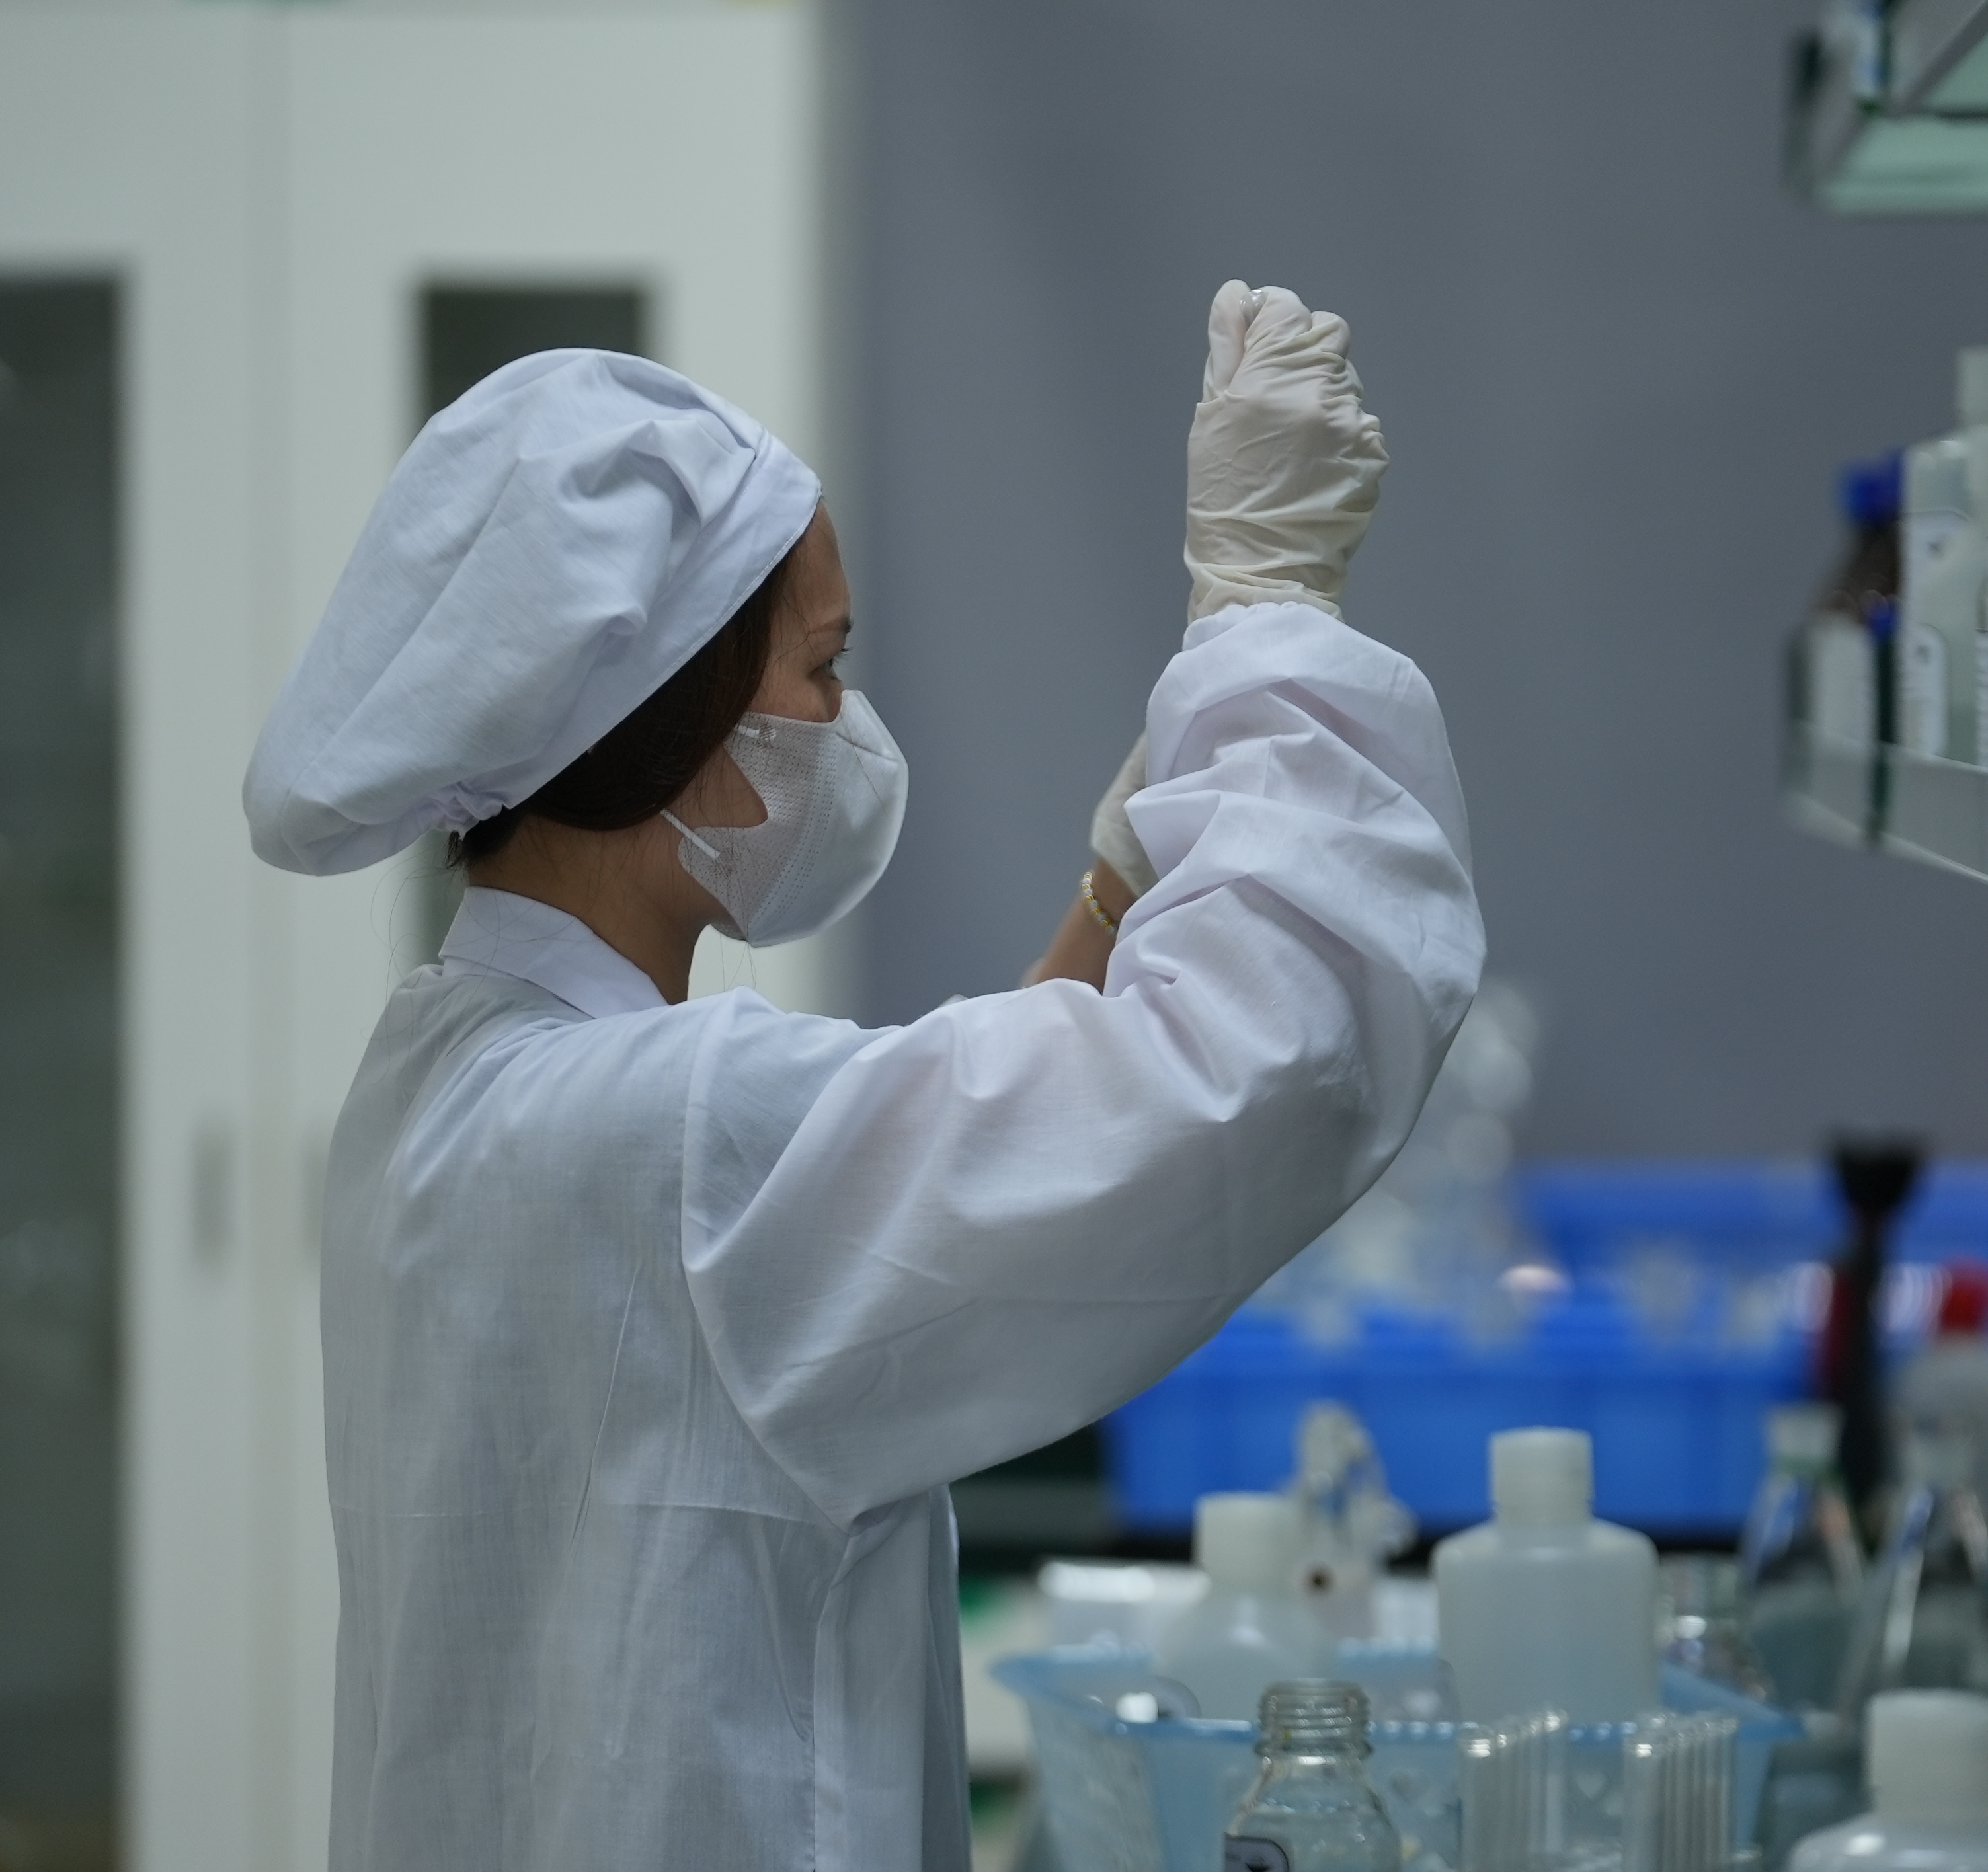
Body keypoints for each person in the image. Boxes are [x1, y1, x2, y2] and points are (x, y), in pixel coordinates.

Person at [242, 281, 1483, 1871]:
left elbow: (927, 1174)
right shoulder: (675, 1143)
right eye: (820, 672)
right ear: (672, 719)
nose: (844, 722)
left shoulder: (441, 1080)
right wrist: (1265, 616)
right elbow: (1271, 1056)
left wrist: (1113, 886)